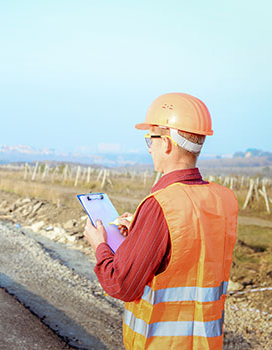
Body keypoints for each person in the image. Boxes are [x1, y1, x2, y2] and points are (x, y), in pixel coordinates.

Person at [84, 92, 238, 350]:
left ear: (166, 143)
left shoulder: (160, 205)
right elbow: (190, 248)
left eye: (150, 138)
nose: (149, 147)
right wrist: (142, 231)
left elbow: (120, 284)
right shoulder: (224, 199)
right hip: (206, 343)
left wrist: (100, 245)